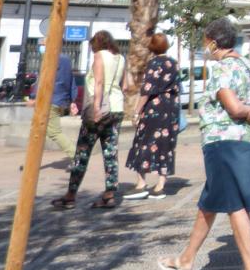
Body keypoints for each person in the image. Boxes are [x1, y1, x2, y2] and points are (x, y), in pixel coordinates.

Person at [158, 18, 250, 270]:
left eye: (206, 41)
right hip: (248, 141)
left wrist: (245, 110)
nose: (204, 46)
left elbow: (232, 106)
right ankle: (186, 259)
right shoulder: (249, 66)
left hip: (224, 142)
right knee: (209, 203)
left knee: (235, 203)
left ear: (215, 43)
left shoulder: (221, 68)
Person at [51, 30, 127, 210]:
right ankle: (109, 195)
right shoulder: (121, 58)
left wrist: (97, 107)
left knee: (82, 153)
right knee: (110, 153)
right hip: (117, 108)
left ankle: (70, 195)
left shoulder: (100, 56)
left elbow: (99, 82)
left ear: (97, 45)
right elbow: (127, 85)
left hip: (99, 109)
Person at [123, 31, 181, 200]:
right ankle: (160, 186)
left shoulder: (154, 64)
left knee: (144, 142)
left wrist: (136, 111)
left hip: (154, 108)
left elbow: (147, 91)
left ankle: (141, 183)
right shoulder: (174, 63)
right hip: (170, 107)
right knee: (166, 144)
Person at [33, 46, 78, 159]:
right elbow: (71, 80)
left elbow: (43, 79)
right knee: (37, 131)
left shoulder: (50, 58)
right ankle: (32, 161)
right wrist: (71, 100)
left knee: (54, 132)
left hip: (50, 99)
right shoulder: (66, 60)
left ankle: (76, 156)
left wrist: (34, 96)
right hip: (60, 100)